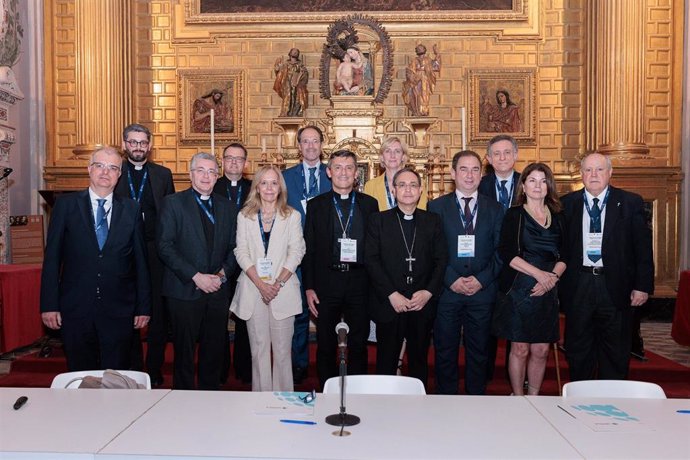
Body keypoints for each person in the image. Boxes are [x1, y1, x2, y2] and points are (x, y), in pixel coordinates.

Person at [40, 146, 151, 371]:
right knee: (81, 375)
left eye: (112, 168)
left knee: (116, 375)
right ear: (89, 169)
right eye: (99, 165)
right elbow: (52, 259)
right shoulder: (66, 206)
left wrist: (143, 307)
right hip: (76, 307)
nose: (105, 172)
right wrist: (49, 305)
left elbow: (140, 262)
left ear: (119, 174)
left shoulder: (131, 209)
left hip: (119, 309)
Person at [560, 153, 654, 381]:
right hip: (579, 284)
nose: (593, 175)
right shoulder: (566, 204)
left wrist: (642, 286)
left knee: (615, 349)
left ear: (610, 173)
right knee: (578, 347)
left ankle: (613, 400)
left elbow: (642, 248)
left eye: (599, 170)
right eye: (588, 170)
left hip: (615, 285)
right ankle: (579, 399)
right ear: (581, 174)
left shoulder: (630, 203)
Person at [157, 152, 237, 390]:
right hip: (184, 290)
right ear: (191, 174)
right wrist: (196, 276)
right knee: (184, 353)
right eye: (201, 170)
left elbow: (236, 247)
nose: (206, 176)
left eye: (212, 171)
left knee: (213, 350)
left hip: (217, 290)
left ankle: (209, 397)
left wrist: (222, 275)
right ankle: (183, 399)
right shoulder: (173, 203)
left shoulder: (228, 207)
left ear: (217, 176)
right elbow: (164, 246)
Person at [428, 150, 504, 395]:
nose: (469, 175)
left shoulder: (496, 209)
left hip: (482, 292)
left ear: (481, 175)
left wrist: (481, 280)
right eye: (463, 169)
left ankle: (476, 400)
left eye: (474, 170)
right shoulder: (436, 207)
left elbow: (501, 252)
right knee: (445, 350)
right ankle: (446, 400)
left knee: (479, 350)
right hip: (448, 292)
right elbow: (433, 251)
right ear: (453, 173)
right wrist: (452, 280)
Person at [303, 150, 379, 388]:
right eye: (337, 167)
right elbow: (310, 248)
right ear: (329, 172)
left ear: (357, 173)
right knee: (325, 341)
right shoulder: (316, 205)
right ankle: (327, 386)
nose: (343, 172)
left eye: (348, 168)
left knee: (358, 341)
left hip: (359, 281)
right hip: (328, 281)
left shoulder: (369, 204)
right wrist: (309, 287)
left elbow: (375, 247)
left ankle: (357, 388)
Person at [365, 168, 447, 388]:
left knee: (419, 360)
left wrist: (428, 292)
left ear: (421, 190)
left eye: (413, 185)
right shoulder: (378, 221)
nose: (407, 190)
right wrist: (392, 294)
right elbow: (371, 260)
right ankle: (384, 406)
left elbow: (441, 260)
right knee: (386, 361)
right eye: (402, 185)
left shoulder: (433, 221)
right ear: (393, 190)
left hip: (421, 303)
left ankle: (418, 410)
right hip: (389, 302)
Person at [493, 163, 567, 395]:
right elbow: (507, 254)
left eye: (543, 180)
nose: (538, 185)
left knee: (542, 350)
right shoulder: (514, 214)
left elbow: (567, 255)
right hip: (520, 287)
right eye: (532, 180)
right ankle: (518, 396)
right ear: (523, 186)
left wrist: (552, 278)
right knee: (521, 348)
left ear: (549, 186)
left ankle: (533, 397)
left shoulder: (559, 216)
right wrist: (538, 275)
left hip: (549, 288)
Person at [230, 165, 306, 391]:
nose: (269, 188)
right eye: (264, 183)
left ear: (280, 187)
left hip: (283, 290)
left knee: (282, 353)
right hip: (254, 290)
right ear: (257, 187)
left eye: (274, 183)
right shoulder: (245, 216)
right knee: (259, 350)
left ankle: (283, 399)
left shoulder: (292, 216)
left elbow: (297, 251)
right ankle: (261, 399)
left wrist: (277, 283)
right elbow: (240, 252)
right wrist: (261, 284)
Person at [114, 123, 174, 385]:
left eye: (143, 142)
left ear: (150, 145)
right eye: (133, 142)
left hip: (155, 250)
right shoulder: (115, 171)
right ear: (125, 144)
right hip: (123, 251)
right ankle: (133, 366)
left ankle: (154, 367)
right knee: (128, 308)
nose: (138, 147)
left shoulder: (162, 174)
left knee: (159, 313)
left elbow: (170, 214)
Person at [283, 126, 332, 384]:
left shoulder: (333, 175)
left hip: (324, 257)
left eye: (315, 141)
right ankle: (298, 364)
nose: (311, 146)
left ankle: (328, 366)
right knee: (298, 314)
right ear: (299, 146)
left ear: (322, 144)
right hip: (293, 257)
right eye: (306, 141)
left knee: (326, 314)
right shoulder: (285, 177)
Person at [478, 134, 521, 381]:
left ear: (515, 155)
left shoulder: (529, 183)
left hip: (521, 267)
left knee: (518, 328)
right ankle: (486, 376)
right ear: (488, 159)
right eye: (496, 154)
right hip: (489, 265)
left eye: (507, 153)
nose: (502, 158)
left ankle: (516, 377)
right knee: (488, 327)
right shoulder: (479, 185)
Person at [213, 142, 252, 384]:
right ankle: (219, 369)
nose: (234, 162)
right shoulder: (212, 186)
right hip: (221, 261)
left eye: (239, 159)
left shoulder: (255, 187)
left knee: (245, 317)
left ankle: (244, 369)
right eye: (229, 158)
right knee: (218, 318)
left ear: (246, 163)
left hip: (248, 261)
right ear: (222, 162)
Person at [364, 136, 428, 211]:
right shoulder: (370, 186)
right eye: (388, 151)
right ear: (381, 157)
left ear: (403, 157)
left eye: (397, 151)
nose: (392, 155)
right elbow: (369, 216)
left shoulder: (418, 184)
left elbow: (421, 213)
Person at [402, 44, 441, 117]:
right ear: (416, 51)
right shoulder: (414, 60)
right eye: (418, 49)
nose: (420, 50)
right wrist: (412, 78)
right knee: (417, 95)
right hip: (416, 80)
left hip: (425, 80)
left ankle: (424, 111)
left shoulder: (428, 59)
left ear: (424, 50)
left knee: (425, 96)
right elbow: (409, 71)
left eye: (421, 48)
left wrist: (437, 54)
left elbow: (436, 66)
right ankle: (417, 111)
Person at [273, 48, 309, 117]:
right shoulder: (285, 65)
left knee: (297, 98)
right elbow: (280, 74)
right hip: (287, 84)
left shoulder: (300, 65)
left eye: (296, 52)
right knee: (288, 97)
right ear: (290, 53)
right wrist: (277, 70)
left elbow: (304, 74)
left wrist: (298, 80)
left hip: (297, 85)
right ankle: (286, 112)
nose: (295, 53)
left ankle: (295, 112)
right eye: (293, 51)